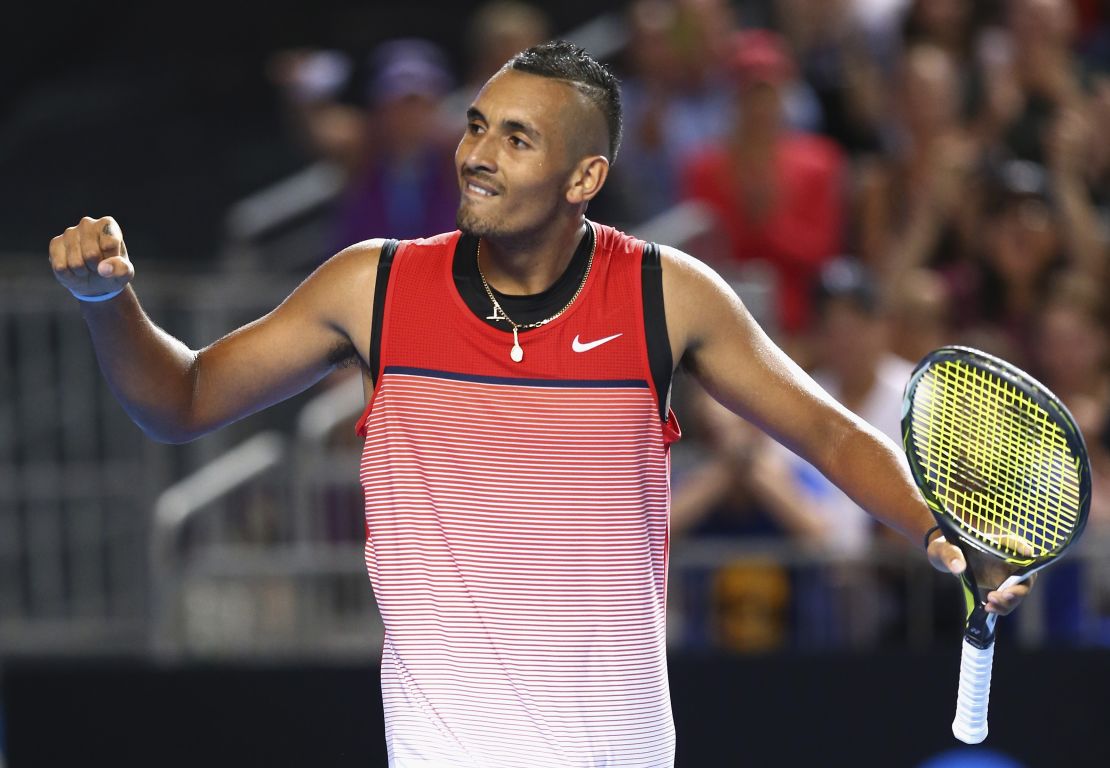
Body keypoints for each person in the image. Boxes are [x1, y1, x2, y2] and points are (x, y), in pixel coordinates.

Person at [48, 40, 1028, 768]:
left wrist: (943, 532)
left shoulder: (665, 294)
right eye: (476, 125)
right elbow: (178, 400)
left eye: (517, 139)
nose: (477, 153)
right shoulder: (373, 287)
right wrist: (108, 305)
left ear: (584, 176)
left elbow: (822, 429)